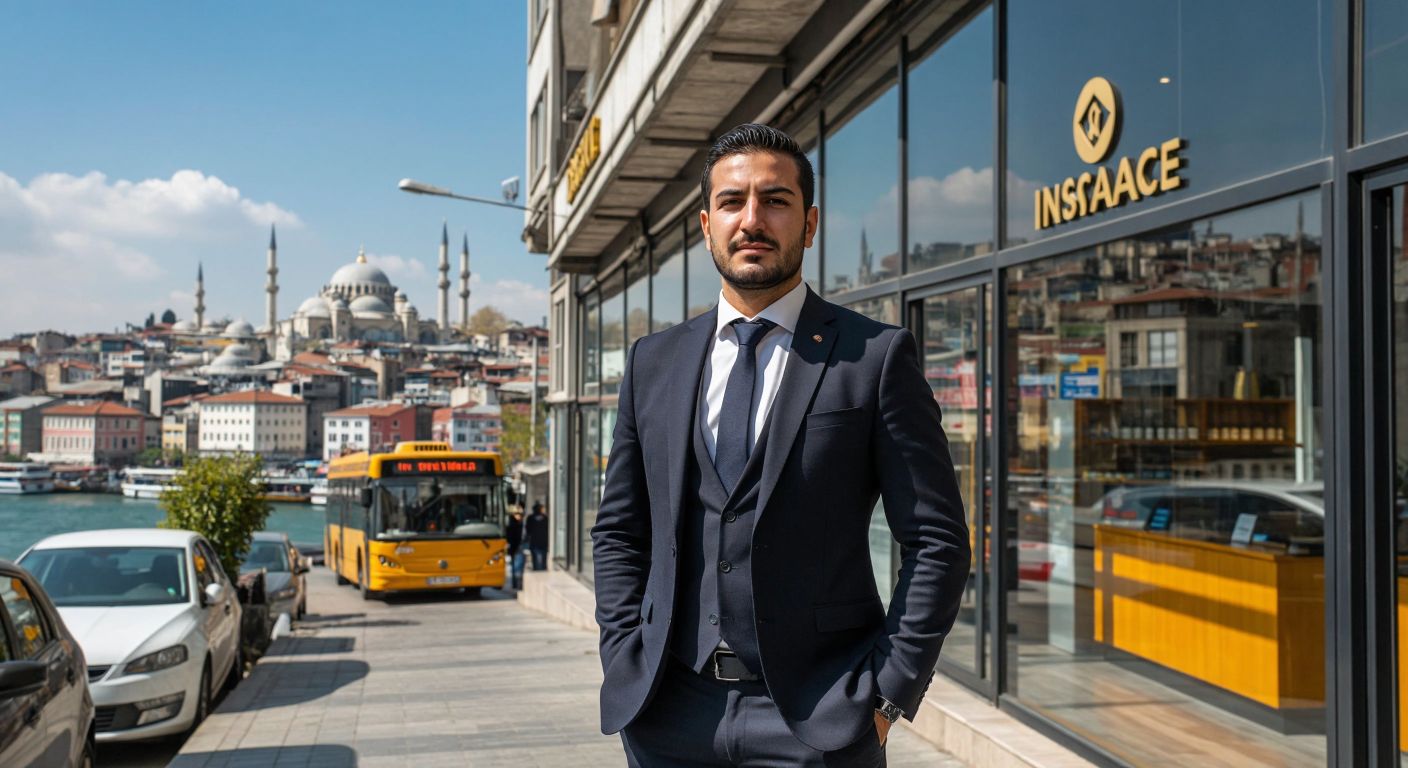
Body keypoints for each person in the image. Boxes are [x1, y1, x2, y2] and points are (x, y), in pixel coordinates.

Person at [590, 123, 970, 767]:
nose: (752, 219)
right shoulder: (654, 362)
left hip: (819, 722)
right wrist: (623, 650)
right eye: (733, 202)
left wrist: (887, 696)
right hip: (667, 713)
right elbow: (620, 531)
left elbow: (937, 540)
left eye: (776, 200)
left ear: (810, 222)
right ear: (706, 223)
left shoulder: (872, 359)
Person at [525, 501, 549, 571]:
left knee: (534, 556)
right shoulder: (545, 518)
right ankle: (544, 566)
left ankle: (535, 567)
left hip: (534, 540)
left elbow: (528, 530)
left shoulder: (530, 518)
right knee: (544, 555)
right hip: (544, 540)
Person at [506, 508, 526, 590]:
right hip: (516, 548)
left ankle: (516, 584)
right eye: (517, 515)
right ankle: (517, 584)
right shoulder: (516, 525)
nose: (519, 516)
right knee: (517, 567)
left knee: (516, 567)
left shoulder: (515, 525)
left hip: (514, 548)